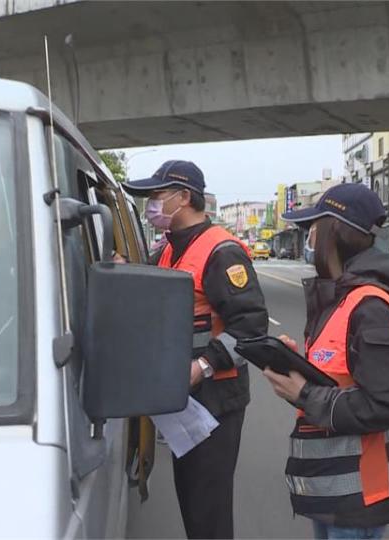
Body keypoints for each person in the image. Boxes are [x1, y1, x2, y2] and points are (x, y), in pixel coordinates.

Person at [261, 183, 389, 540]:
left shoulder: (370, 307)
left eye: (313, 228)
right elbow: (343, 375)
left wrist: (305, 395)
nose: (310, 237)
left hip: (360, 494)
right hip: (335, 490)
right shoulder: (340, 298)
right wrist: (299, 368)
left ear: (334, 231)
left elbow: (387, 403)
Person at [122, 160, 269, 539]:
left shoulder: (221, 252)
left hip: (215, 400)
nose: (151, 205)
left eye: (157, 195)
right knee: (191, 500)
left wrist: (202, 366)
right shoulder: (169, 250)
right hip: (183, 401)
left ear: (184, 197)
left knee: (208, 511)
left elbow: (251, 328)